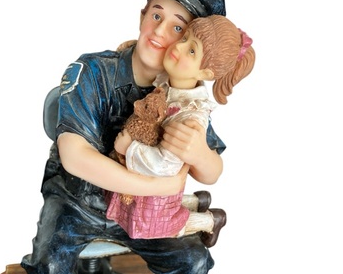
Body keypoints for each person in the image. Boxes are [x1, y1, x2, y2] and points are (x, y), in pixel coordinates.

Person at [16, 0, 227, 274]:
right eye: (156, 15)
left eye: (178, 27)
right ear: (142, 14)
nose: (161, 31)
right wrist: (163, 187)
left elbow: (211, 171)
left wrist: (199, 154)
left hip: (143, 215)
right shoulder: (92, 71)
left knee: (192, 263)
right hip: (79, 201)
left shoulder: (183, 93)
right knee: (50, 261)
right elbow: (75, 156)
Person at [106, 14, 255, 246]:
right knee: (141, 204)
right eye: (184, 38)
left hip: (156, 181)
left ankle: (209, 220)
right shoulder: (171, 82)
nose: (179, 47)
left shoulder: (189, 116)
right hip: (149, 185)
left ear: (206, 74)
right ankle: (196, 201)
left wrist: (129, 148)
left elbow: (165, 165)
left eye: (192, 51)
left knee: (157, 225)